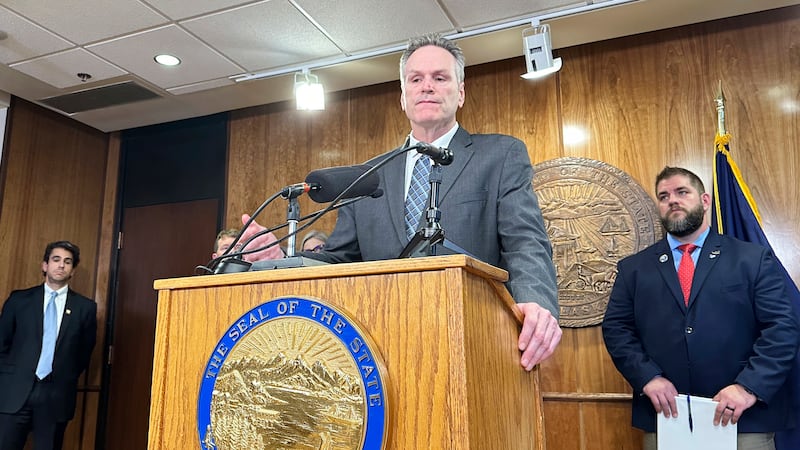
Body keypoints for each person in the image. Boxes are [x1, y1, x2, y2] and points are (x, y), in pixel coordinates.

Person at [240, 32, 561, 370]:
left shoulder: (500, 155)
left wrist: (535, 301)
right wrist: (284, 258)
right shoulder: (368, 175)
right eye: (416, 79)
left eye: (440, 78)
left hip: (476, 343)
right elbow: (340, 259)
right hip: (384, 350)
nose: (427, 86)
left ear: (461, 92)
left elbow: (526, 242)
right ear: (403, 97)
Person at [602, 167, 799, 450]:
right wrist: (647, 378)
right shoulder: (634, 268)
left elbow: (782, 328)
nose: (673, 200)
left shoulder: (751, 258)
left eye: (682, 192)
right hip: (667, 417)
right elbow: (617, 329)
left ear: (705, 201)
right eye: (664, 196)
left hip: (743, 417)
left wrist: (748, 387)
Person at [0, 241, 98, 450]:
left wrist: (64, 375)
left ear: (73, 270)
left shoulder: (85, 308)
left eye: (67, 262)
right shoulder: (19, 300)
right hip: (14, 393)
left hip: (55, 396)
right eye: (56, 259)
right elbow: (2, 343)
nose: (61, 265)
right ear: (45, 265)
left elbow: (83, 353)